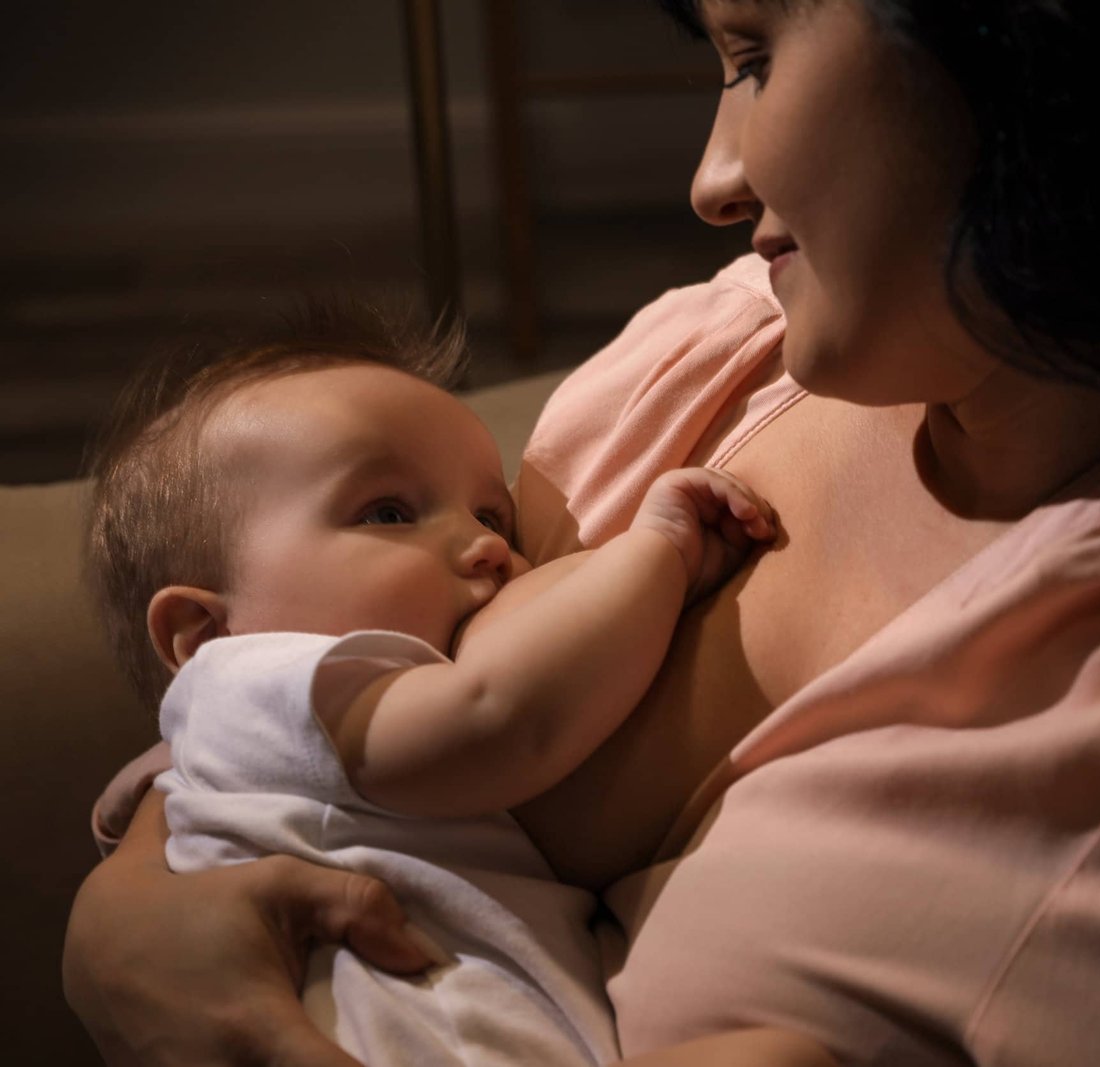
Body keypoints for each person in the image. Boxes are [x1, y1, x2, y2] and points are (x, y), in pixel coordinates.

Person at [65, 0, 1100, 1064]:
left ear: (1024, 50)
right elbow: (295, 683)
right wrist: (130, 925)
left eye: (754, 53)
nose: (711, 175)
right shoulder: (734, 349)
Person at [81, 314, 833, 1067]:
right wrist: (660, 554)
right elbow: (497, 716)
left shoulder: (248, 742)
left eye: (491, 513)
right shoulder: (253, 680)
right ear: (203, 634)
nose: (489, 547)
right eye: (388, 513)